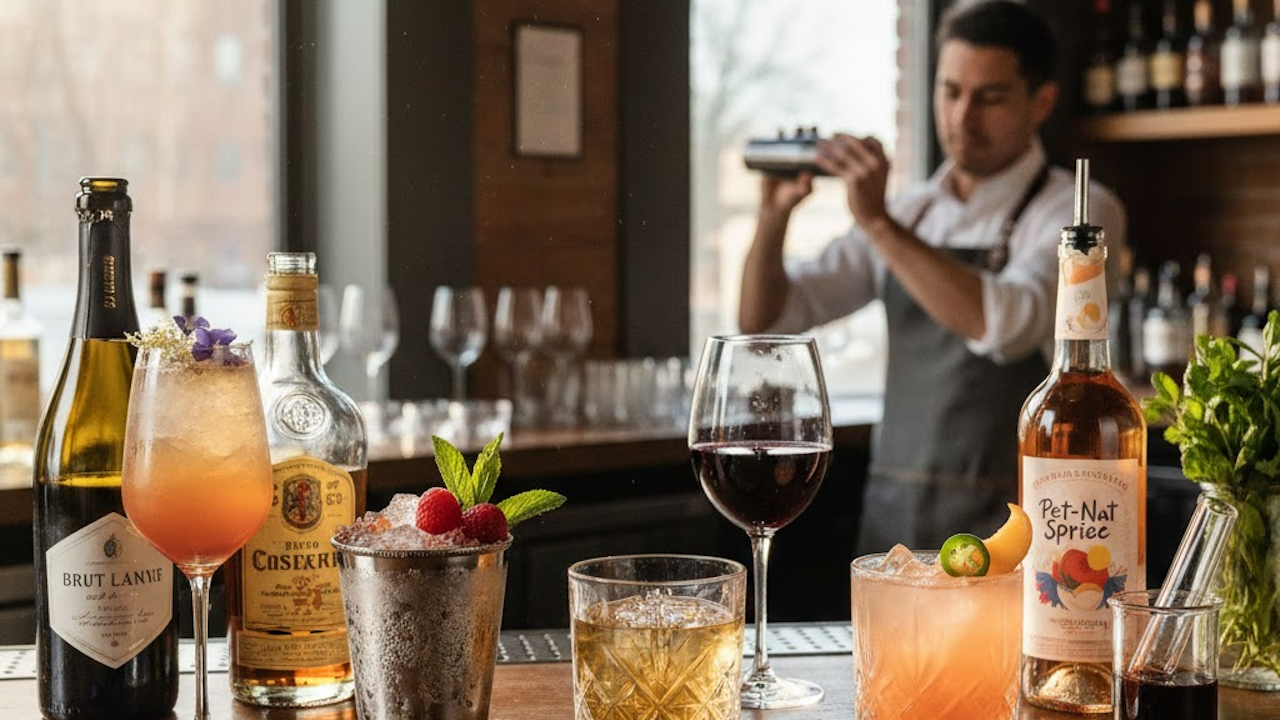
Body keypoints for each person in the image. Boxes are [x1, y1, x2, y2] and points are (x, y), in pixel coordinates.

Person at [739, 0, 1127, 553]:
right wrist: (772, 218)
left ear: (1041, 102)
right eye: (950, 92)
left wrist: (877, 223)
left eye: (989, 97)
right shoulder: (913, 211)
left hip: (1008, 527)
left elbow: (1003, 323)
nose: (962, 118)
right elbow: (768, 320)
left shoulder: (1077, 211)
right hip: (893, 517)